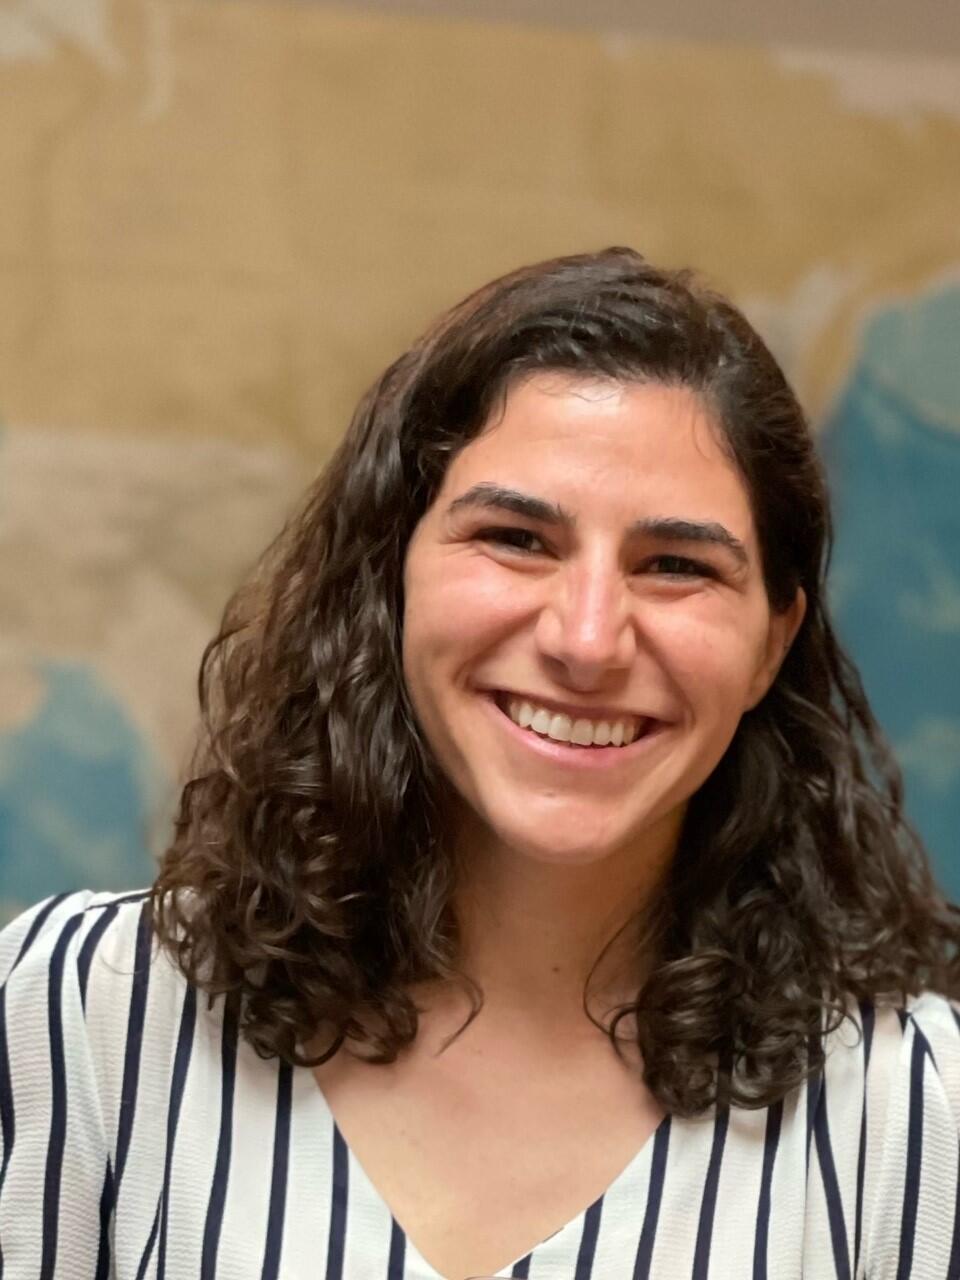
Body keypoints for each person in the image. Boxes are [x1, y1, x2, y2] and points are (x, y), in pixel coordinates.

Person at [2, 247, 959, 1280]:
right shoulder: (85, 1016)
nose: (588, 639)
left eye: (676, 564)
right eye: (516, 537)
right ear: (392, 577)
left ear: (773, 641)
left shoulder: (909, 1116)